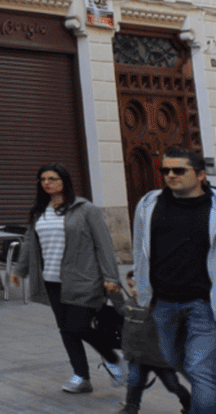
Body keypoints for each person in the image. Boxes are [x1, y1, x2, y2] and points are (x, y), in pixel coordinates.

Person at [12, 162, 125, 395]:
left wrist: (112, 277)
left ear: (65, 181)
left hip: (84, 279)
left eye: (53, 178)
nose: (47, 183)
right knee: (66, 329)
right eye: (43, 179)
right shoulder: (39, 211)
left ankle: (114, 360)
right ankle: (81, 377)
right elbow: (30, 243)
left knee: (79, 325)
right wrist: (19, 270)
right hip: (52, 280)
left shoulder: (85, 209)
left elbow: (103, 245)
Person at [132, 145, 216, 414]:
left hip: (204, 302)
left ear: (201, 175)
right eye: (165, 170)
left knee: (198, 366)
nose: (170, 175)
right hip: (162, 303)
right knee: (172, 359)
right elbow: (139, 250)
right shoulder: (148, 203)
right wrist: (143, 291)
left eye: (178, 170)